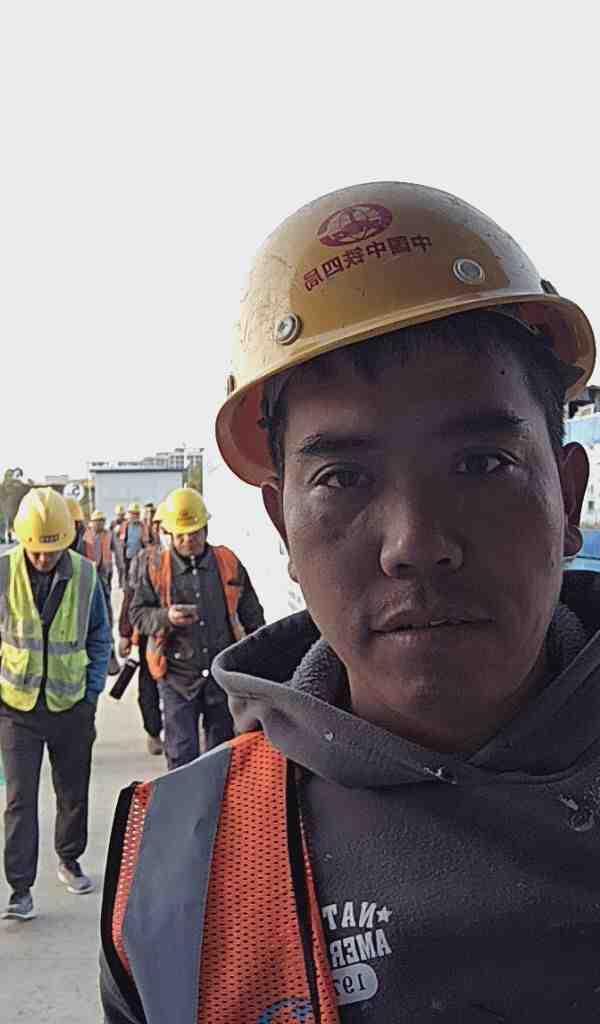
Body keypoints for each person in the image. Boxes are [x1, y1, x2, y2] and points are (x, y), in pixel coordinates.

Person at [100, 182, 598, 1022]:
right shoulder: (180, 874)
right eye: (342, 478)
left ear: (568, 494)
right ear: (282, 527)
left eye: (481, 464)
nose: (415, 542)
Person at [0, 488, 111, 922]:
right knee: (19, 799)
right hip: (16, 708)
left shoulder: (85, 575)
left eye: (52, 550)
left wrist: (91, 693)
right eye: (36, 551)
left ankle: (69, 857)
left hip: (71, 706)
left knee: (72, 792)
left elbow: (100, 635)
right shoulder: (3, 572)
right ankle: (20, 888)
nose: (44, 558)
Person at [127, 487, 265, 768]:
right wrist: (166, 617)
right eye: (181, 535)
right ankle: (185, 798)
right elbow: (137, 614)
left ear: (205, 529)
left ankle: (215, 799)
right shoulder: (155, 567)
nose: (188, 540)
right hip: (177, 678)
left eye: (194, 533)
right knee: (181, 756)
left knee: (222, 758)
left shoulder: (227, 562)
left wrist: (259, 662)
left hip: (220, 678)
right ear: (170, 534)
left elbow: (252, 614)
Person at [117, 504, 165, 755]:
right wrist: (126, 633)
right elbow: (130, 595)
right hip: (150, 631)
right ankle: (153, 731)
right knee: (148, 684)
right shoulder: (142, 560)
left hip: (185, 635)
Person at [83, 511, 120, 675]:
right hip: (88, 579)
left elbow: (117, 552)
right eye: (97, 521)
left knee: (105, 616)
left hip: (104, 577)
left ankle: (110, 657)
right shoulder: (85, 537)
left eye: (102, 521)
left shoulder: (108, 535)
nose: (100, 524)